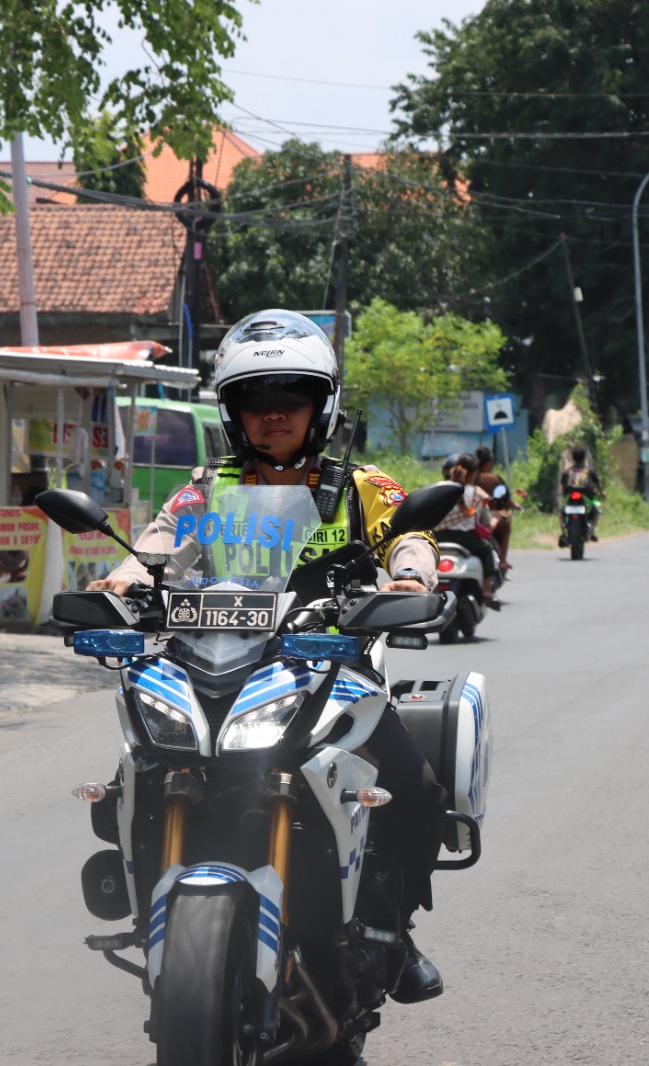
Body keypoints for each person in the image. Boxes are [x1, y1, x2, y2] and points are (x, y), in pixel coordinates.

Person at [88, 309, 449, 1003]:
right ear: (234, 412)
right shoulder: (211, 486)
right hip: (215, 667)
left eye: (292, 398)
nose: (273, 414)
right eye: (255, 401)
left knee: (418, 790)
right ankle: (147, 898)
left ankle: (393, 929)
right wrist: (127, 578)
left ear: (323, 407)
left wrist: (409, 576)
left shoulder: (361, 486)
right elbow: (164, 540)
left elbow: (409, 534)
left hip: (331, 671)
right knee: (135, 775)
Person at [435, 452, 503, 608]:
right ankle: (487, 591)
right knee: (488, 551)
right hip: (466, 538)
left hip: (439, 537)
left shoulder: (440, 488)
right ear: (473, 473)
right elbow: (486, 523)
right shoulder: (477, 493)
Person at [473, 444, 518, 574]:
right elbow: (506, 500)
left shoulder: (468, 479)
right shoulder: (494, 479)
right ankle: (502, 560)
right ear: (488, 463)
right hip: (487, 517)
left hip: (471, 518)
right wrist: (515, 506)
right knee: (506, 523)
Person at [559, 445, 603, 543]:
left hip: (570, 496)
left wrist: (564, 495)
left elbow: (563, 487)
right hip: (585, 497)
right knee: (596, 513)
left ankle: (563, 533)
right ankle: (592, 532)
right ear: (584, 458)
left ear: (573, 458)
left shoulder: (567, 472)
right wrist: (602, 493)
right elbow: (598, 485)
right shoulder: (589, 471)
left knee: (561, 513)